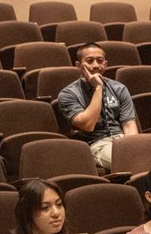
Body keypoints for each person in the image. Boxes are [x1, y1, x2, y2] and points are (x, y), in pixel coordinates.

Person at [57, 42, 138, 173]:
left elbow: (129, 126)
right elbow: (88, 124)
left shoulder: (119, 88)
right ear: (78, 66)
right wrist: (98, 88)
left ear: (105, 64)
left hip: (122, 140)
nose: (95, 65)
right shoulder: (68, 94)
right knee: (130, 162)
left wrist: (132, 147)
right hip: (96, 145)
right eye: (89, 61)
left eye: (100, 61)